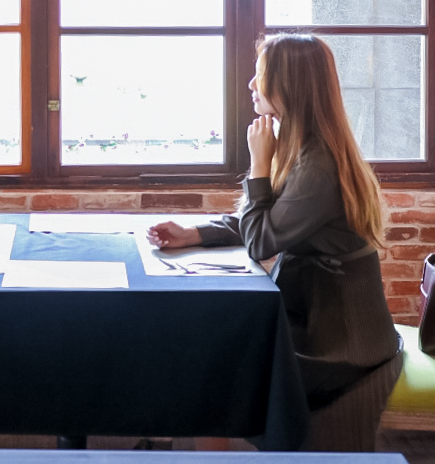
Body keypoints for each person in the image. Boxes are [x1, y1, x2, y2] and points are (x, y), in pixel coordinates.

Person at [147, 33, 401, 451]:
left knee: (212, 374)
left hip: (342, 346)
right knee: (211, 351)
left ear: (290, 86)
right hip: (316, 322)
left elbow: (261, 239)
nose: (251, 85)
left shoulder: (319, 165)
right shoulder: (304, 146)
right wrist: (194, 234)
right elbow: (269, 220)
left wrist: (258, 165)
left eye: (260, 76)